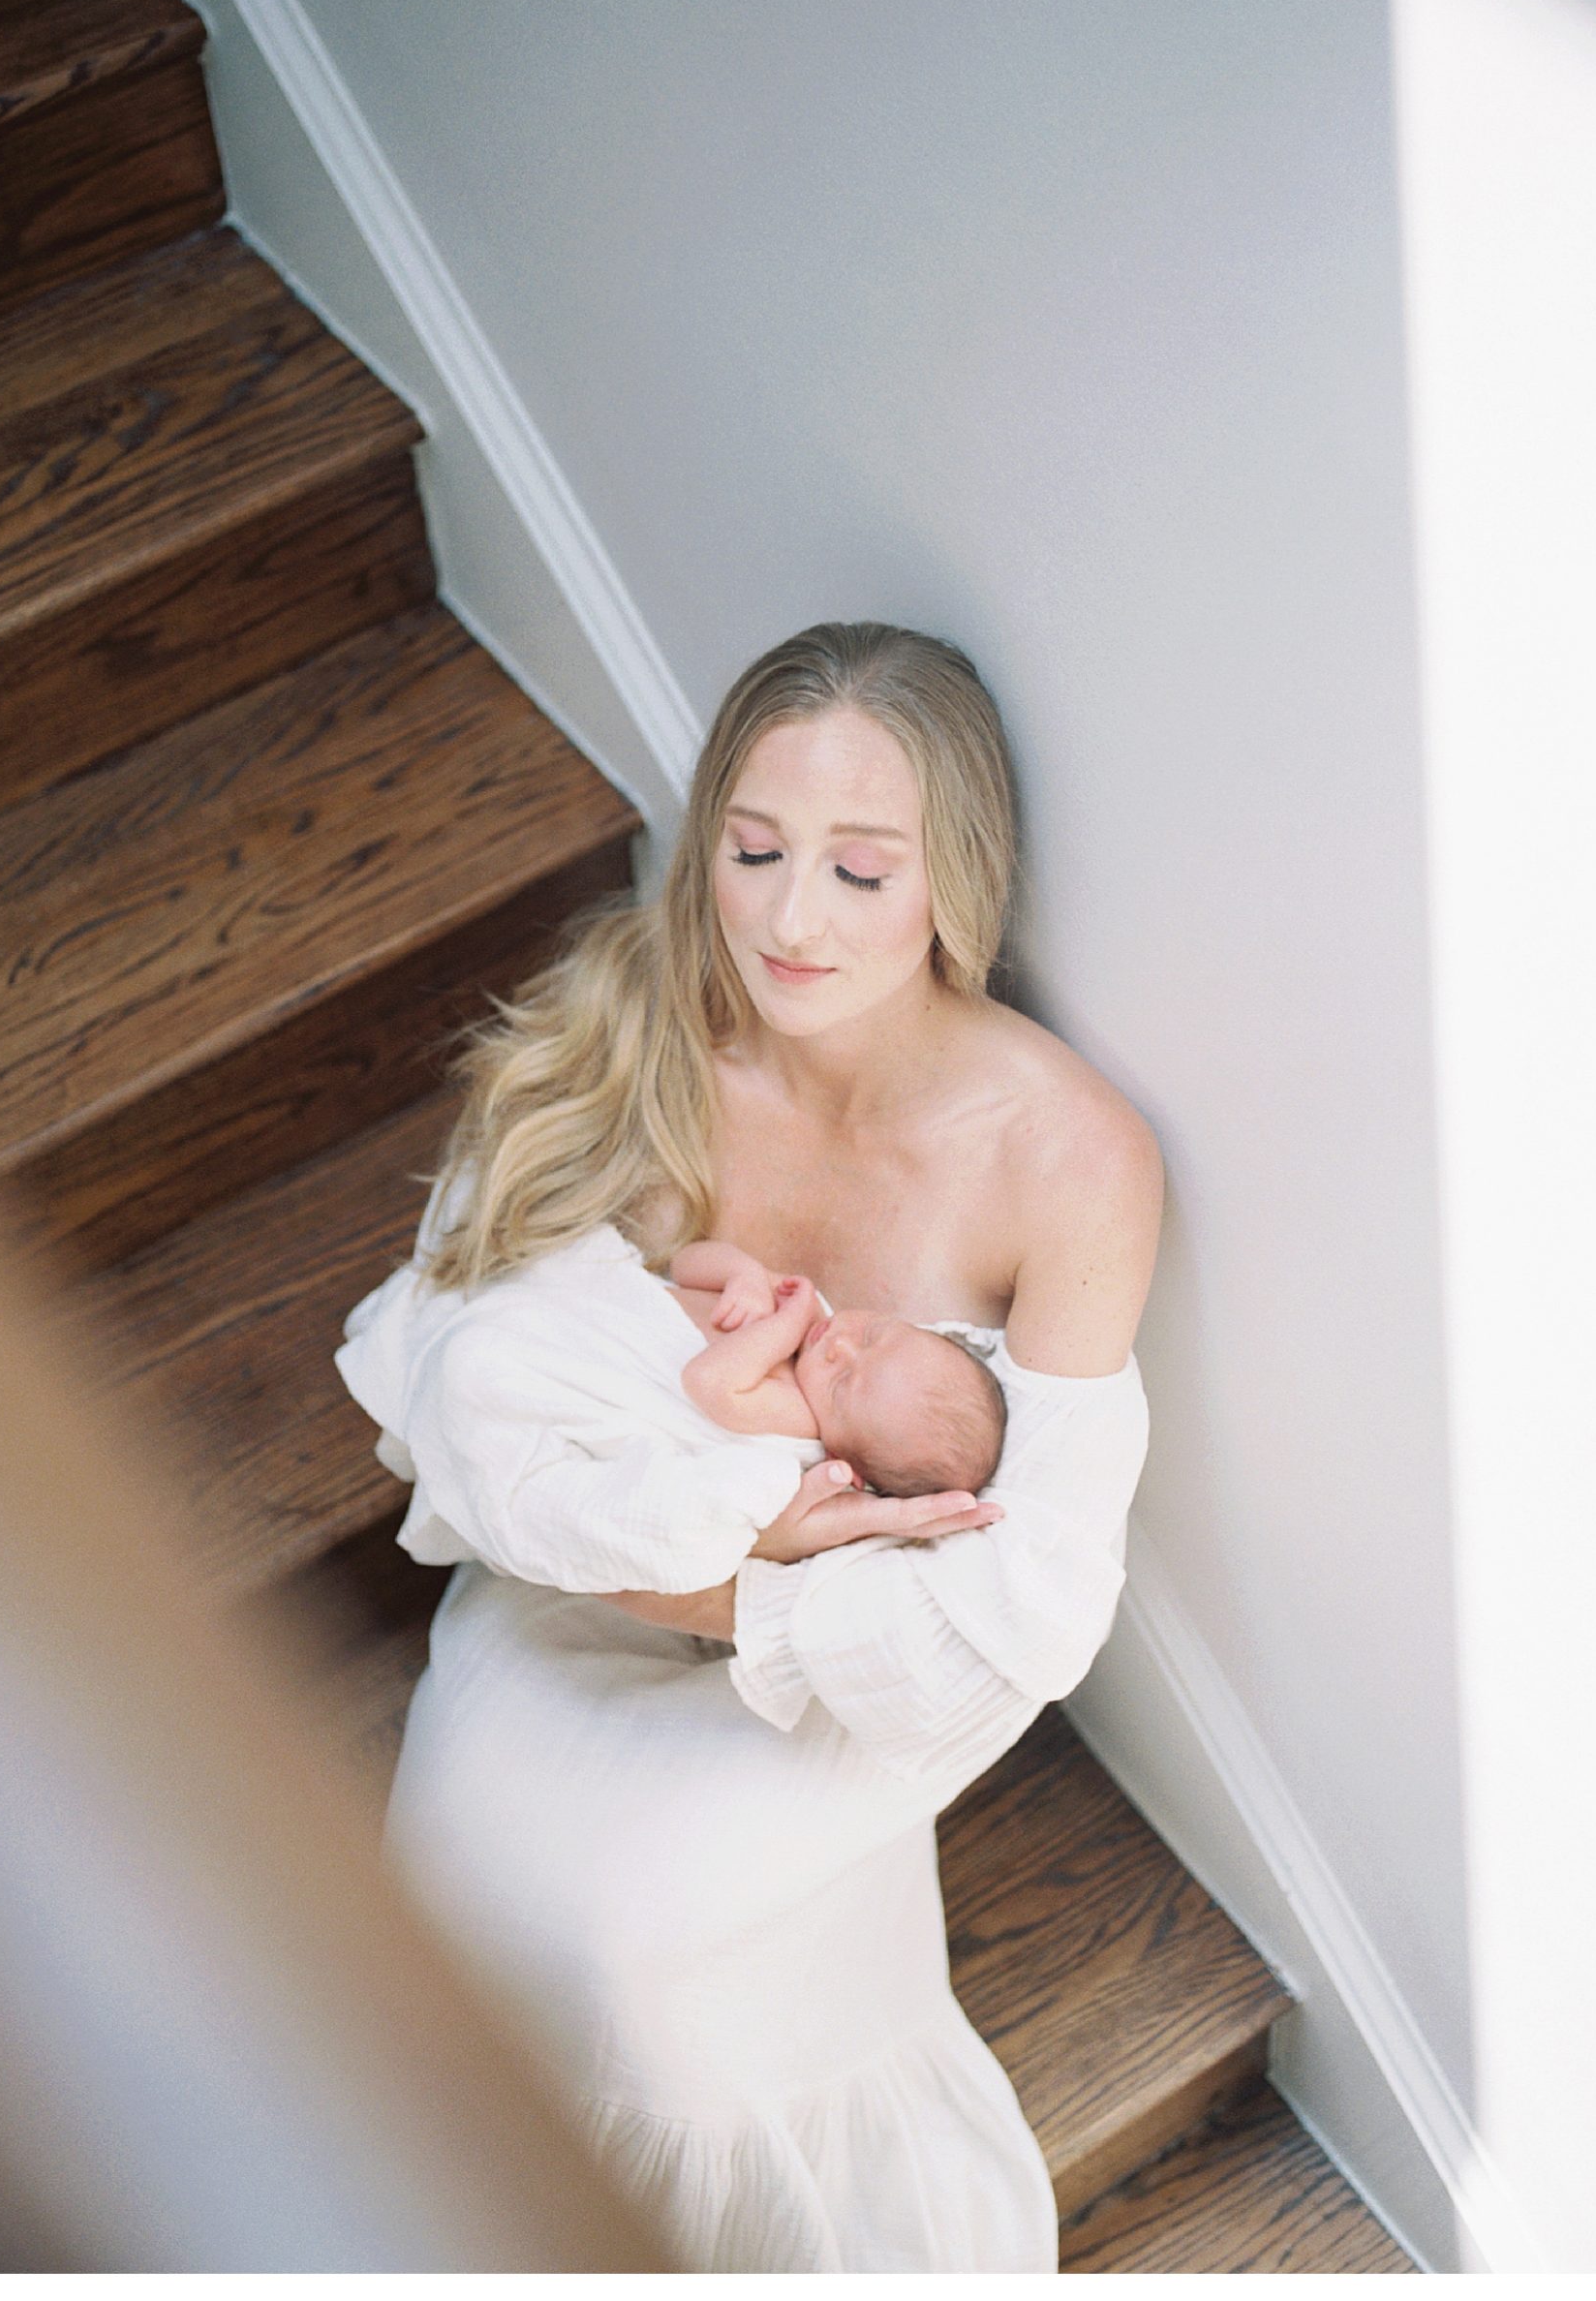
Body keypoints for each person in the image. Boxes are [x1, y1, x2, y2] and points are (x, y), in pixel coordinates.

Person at [335, 619, 1160, 2272]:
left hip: (863, 1645)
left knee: (640, 1960)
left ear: (955, 882)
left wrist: (745, 1586)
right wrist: (679, 1537)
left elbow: (1021, 1608)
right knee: (456, 1874)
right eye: (757, 850)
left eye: (862, 872)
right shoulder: (640, 1024)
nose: (790, 921)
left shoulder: (1068, 1159)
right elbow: (472, 1355)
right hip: (592, 1560)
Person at [670, 1239, 1009, 1498]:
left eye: (842, 1383)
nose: (839, 1345)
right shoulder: (815, 1313)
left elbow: (705, 1381)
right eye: (871, 1334)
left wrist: (788, 1322)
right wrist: (743, 1274)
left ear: (837, 1455)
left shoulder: (797, 1411)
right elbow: (682, 1263)